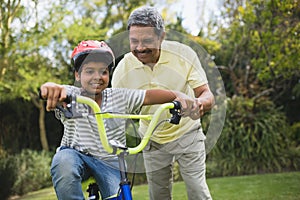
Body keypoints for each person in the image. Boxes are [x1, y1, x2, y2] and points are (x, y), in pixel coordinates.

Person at [40, 40, 199, 200]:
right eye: (89, 71)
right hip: (77, 156)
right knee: (63, 162)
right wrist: (50, 88)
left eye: (103, 71)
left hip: (110, 162)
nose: (97, 77)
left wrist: (178, 96)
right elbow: (55, 89)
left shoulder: (119, 96)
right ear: (77, 74)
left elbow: (149, 95)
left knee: (120, 195)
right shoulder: (72, 96)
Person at [111, 6, 215, 200]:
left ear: (161, 37)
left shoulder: (183, 54)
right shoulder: (123, 68)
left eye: (147, 41)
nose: (140, 48)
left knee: (197, 191)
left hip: (187, 132)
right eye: (134, 41)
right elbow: (113, 109)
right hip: (152, 138)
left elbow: (206, 94)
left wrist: (198, 104)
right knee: (158, 195)